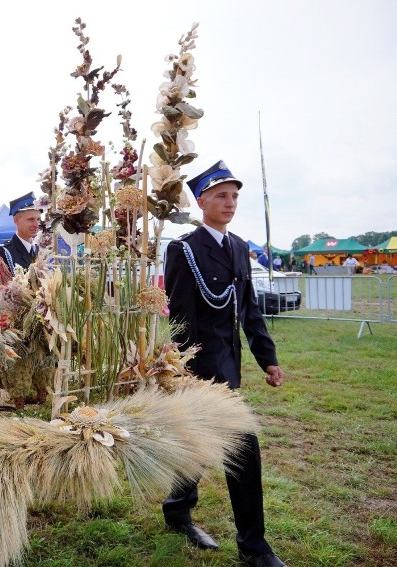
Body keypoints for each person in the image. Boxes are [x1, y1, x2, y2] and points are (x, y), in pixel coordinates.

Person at [163, 160, 287, 567]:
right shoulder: (183, 248)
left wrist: (267, 360)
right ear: (201, 201)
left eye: (234, 196)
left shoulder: (237, 247)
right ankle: (254, 546)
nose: (230, 203)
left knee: (197, 445)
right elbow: (180, 315)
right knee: (243, 448)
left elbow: (249, 310)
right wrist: (182, 372)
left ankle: (177, 508)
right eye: (221, 195)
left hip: (229, 367)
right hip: (199, 372)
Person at [0, 192, 42, 275]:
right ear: (16, 220)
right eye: (31, 219)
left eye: (38, 219)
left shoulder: (38, 249)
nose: (37, 225)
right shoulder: (3, 252)